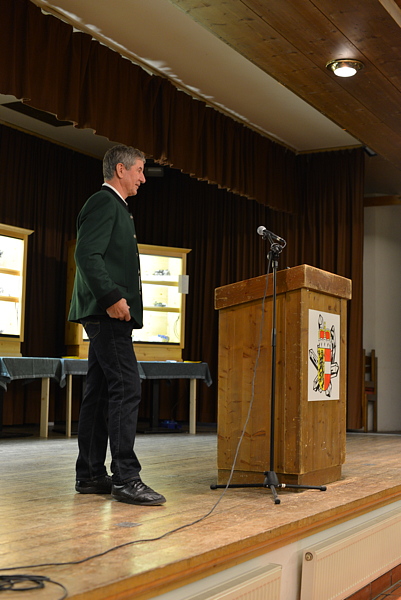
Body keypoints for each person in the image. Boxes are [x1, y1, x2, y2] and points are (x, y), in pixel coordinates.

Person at [68, 144, 166, 506]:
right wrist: (110, 297)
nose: (143, 177)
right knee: (127, 386)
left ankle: (91, 474)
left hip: (108, 314)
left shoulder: (118, 208)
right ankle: (126, 477)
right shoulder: (103, 202)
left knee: (100, 393)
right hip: (107, 313)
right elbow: (86, 254)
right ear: (121, 170)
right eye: (140, 170)